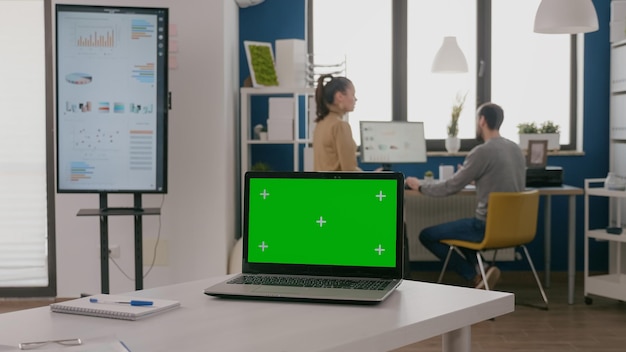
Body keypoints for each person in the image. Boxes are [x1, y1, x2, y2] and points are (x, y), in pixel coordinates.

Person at [405, 102, 525, 289]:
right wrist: (478, 179)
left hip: (485, 227)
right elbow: (504, 179)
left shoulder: (482, 152)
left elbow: (450, 187)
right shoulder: (515, 149)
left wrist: (419, 186)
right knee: (462, 230)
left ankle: (474, 276)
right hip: (514, 226)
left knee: (427, 235)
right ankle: (483, 269)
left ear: (482, 120)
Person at [313, 74, 361, 171]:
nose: (355, 99)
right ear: (339, 96)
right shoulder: (340, 126)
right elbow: (349, 171)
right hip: (338, 185)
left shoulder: (321, 124)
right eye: (352, 94)